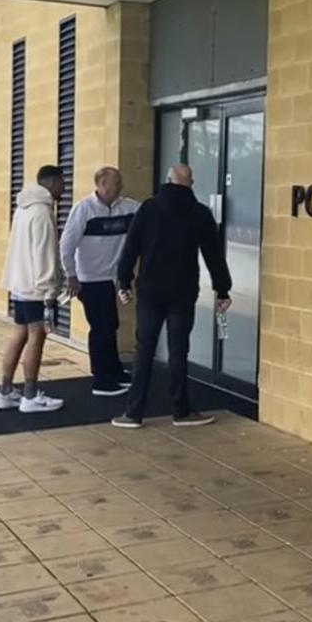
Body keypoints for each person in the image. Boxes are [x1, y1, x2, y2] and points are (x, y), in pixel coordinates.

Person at [114, 164, 232, 429]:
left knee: (144, 348)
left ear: (167, 181)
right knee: (179, 349)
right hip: (182, 290)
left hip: (150, 290)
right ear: (191, 183)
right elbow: (213, 255)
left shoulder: (148, 208)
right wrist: (222, 289)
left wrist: (124, 281)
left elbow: (130, 247)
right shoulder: (200, 213)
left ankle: (133, 413)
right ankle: (181, 410)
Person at [59, 167, 139, 397]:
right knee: (102, 327)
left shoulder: (129, 207)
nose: (121, 186)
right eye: (117, 182)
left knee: (110, 324)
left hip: (110, 279)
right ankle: (102, 380)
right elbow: (66, 245)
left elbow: (149, 214)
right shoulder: (84, 209)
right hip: (89, 280)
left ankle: (114, 370)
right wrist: (71, 275)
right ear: (102, 184)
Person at [0, 165, 66, 413]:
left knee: (20, 334)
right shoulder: (41, 213)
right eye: (62, 182)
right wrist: (50, 293)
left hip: (19, 284)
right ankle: (30, 395)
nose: (64, 187)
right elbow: (45, 254)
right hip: (36, 286)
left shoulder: (23, 209)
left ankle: (5, 391)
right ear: (52, 182)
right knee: (37, 336)